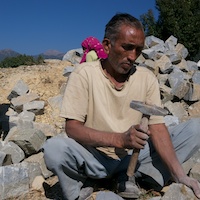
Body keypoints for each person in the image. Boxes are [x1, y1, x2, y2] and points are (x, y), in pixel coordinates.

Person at [43, 13, 200, 200]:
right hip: (95, 156)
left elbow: (157, 127)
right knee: (54, 149)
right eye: (127, 48)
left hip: (134, 156)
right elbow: (72, 128)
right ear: (107, 45)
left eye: (138, 50)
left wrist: (180, 176)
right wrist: (120, 140)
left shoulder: (146, 78)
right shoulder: (84, 74)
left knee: (195, 128)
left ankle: (130, 176)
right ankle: (85, 182)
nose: (132, 56)